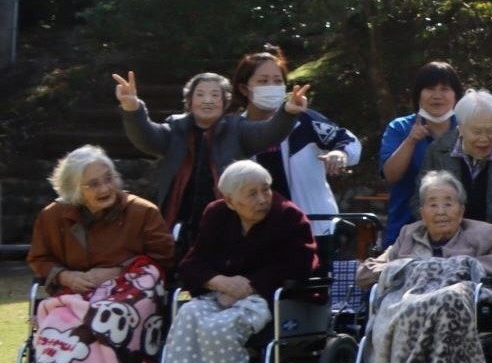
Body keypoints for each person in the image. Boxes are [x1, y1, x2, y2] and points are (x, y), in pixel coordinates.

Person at [148, 161, 318, 363]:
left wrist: (250, 286)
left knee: (222, 328)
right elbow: (192, 263)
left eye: (265, 189)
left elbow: (301, 264)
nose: (262, 199)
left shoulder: (288, 216)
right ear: (229, 201)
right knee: (188, 315)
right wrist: (220, 282)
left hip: (270, 298)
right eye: (252, 194)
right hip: (221, 293)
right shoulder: (216, 214)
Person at [355, 171, 492, 363]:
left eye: (448, 203)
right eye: (432, 204)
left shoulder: (487, 233)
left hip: (466, 303)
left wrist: (462, 265)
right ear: (422, 211)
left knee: (448, 298)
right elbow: (366, 274)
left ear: (461, 209)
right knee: (409, 307)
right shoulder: (408, 234)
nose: (441, 211)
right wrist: (407, 267)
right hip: (410, 307)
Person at [26, 147, 174, 363]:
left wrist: (119, 271)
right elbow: (39, 258)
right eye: (93, 184)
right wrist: (66, 275)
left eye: (108, 179)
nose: (105, 188)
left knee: (103, 319)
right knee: (58, 319)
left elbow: (164, 256)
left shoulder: (142, 212)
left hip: (130, 295)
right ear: (73, 189)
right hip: (77, 289)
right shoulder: (53, 216)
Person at [115, 68, 303, 256]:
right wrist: (132, 108)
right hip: (179, 218)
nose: (207, 100)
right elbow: (147, 138)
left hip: (228, 219)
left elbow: (268, 133)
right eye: (200, 94)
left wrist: (287, 112)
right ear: (189, 100)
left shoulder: (238, 128)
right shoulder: (175, 128)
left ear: (224, 101)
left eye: (215, 95)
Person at [231, 48, 360, 236]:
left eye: (278, 81)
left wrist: (340, 154)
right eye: (263, 81)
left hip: (313, 228)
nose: (271, 86)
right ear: (244, 88)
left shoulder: (304, 120)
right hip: (254, 231)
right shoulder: (235, 130)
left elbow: (348, 140)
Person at [421, 89, 492, 240]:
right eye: (477, 132)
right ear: (460, 128)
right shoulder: (438, 151)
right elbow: (421, 197)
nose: (484, 138)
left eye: (491, 130)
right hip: (447, 242)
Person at [377, 61, 466, 246]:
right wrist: (411, 140)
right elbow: (391, 176)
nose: (437, 95)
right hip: (405, 232)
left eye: (445, 89)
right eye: (430, 88)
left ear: (456, 95)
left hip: (461, 235)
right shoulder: (399, 128)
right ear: (418, 94)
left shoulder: (467, 127)